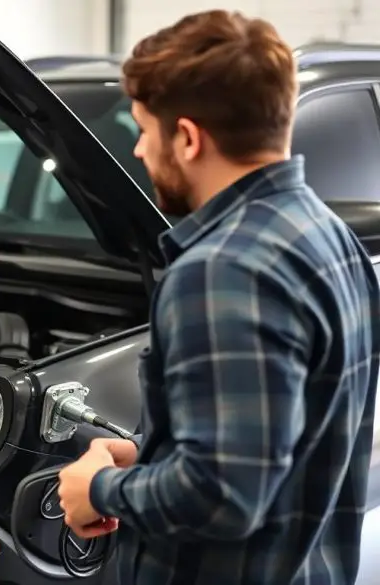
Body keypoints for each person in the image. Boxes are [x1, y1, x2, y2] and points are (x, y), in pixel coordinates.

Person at [56, 10, 379, 585]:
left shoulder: (221, 271)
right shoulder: (334, 242)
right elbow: (277, 451)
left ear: (186, 138)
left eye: (143, 132)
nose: (137, 153)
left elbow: (224, 494)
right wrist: (154, 458)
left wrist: (100, 490)